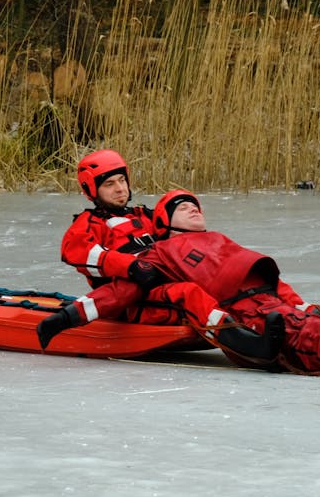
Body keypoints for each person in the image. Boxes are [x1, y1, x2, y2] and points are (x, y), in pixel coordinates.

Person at [49, 188, 320, 382]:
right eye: (183, 207)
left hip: (271, 299)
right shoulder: (159, 254)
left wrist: (308, 305)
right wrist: (70, 315)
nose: (194, 210)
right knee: (319, 342)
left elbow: (273, 279)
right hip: (245, 313)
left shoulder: (218, 239)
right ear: (164, 222)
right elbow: (123, 291)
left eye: (196, 205)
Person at [46, 150, 291, 362]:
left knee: (234, 277)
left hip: (168, 280)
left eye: (122, 180)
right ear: (92, 188)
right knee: (189, 293)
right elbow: (79, 253)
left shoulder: (146, 216)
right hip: (129, 298)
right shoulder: (88, 224)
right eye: (109, 184)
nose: (120, 189)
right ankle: (248, 344)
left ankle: (290, 316)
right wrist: (132, 267)